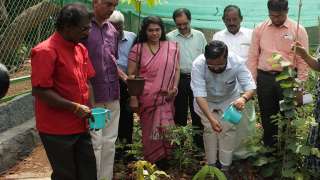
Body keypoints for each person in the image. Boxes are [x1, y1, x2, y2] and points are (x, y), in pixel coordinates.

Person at [31, 3, 97, 180]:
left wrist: (92, 109)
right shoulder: (45, 51)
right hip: (57, 129)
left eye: (89, 28)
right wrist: (74, 107)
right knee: (66, 175)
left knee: (88, 172)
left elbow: (87, 82)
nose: (88, 32)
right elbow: (39, 91)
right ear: (67, 27)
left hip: (80, 124)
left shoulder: (80, 49)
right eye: (84, 28)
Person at [247, 0, 309, 147]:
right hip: (265, 78)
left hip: (288, 78)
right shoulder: (260, 29)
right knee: (267, 117)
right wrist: (251, 85)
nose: (275, 19)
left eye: (279, 16)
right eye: (272, 16)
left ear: (286, 11)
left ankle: (288, 152)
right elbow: (253, 57)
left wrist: (299, 87)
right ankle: (270, 150)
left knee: (289, 116)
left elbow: (303, 60)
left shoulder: (298, 29)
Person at [191, 40, 256, 175]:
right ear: (206, 58)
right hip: (206, 101)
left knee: (228, 131)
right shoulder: (198, 64)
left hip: (230, 100)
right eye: (211, 65)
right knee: (209, 130)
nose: (215, 68)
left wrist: (243, 98)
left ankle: (225, 167)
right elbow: (199, 95)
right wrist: (211, 118)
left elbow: (250, 87)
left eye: (220, 64)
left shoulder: (237, 62)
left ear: (226, 57)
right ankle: (211, 166)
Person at [127, 16, 180, 165]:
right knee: (149, 130)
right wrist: (134, 97)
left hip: (166, 97)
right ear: (145, 31)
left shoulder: (171, 47)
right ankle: (153, 159)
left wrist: (174, 88)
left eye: (157, 30)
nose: (154, 33)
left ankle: (167, 158)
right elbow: (131, 74)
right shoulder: (137, 48)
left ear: (162, 30)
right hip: (146, 97)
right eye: (150, 30)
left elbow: (176, 69)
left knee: (166, 129)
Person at [212, 5, 255, 159]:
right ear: (223, 20)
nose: (231, 22)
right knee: (226, 120)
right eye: (228, 19)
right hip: (225, 86)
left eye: (234, 19)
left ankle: (245, 154)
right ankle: (227, 154)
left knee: (245, 121)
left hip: (245, 86)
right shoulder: (218, 36)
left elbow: (255, 58)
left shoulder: (251, 35)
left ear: (241, 19)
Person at [83, 0, 120, 179]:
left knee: (110, 141)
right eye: (108, 4)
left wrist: (125, 78)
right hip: (93, 96)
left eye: (115, 5)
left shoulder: (112, 30)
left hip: (112, 93)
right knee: (95, 141)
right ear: (95, 2)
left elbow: (113, 60)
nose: (111, 9)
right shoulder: (82, 27)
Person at [167, 8, 207, 150]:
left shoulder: (200, 36)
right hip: (179, 80)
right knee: (179, 113)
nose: (183, 27)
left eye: (185, 23)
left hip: (197, 79)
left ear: (190, 20)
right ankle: (180, 147)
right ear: (175, 23)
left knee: (199, 112)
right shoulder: (169, 38)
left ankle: (199, 147)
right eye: (179, 24)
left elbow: (205, 58)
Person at [108, 10, 136, 160]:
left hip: (128, 81)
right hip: (110, 81)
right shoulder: (104, 39)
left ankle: (127, 150)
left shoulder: (132, 37)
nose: (116, 30)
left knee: (127, 115)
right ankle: (113, 150)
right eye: (113, 26)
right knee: (112, 116)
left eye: (119, 26)